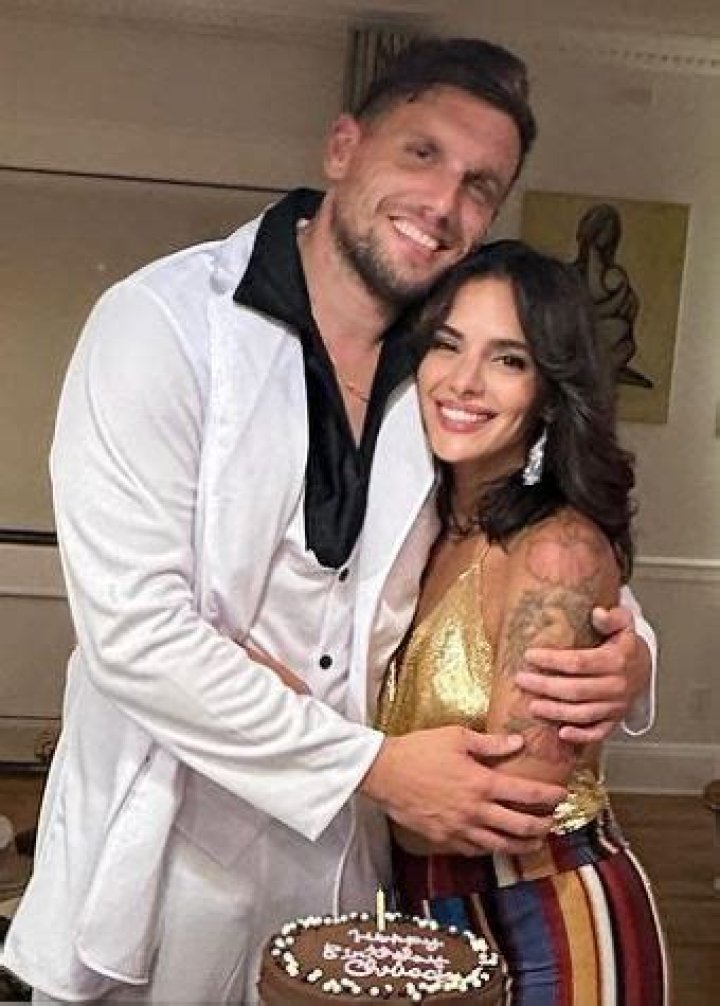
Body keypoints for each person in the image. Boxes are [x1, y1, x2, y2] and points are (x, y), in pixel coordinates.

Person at [2, 38, 656, 1006]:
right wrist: (373, 764)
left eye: (480, 185)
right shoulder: (162, 325)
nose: (443, 202)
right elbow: (136, 631)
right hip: (173, 845)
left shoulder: (439, 360)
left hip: (355, 872)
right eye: (421, 152)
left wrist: (630, 649)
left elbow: (519, 530)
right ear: (343, 147)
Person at [378, 239, 668, 1003]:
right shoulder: (425, 529)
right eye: (447, 345)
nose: (463, 381)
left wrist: (326, 754)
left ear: (550, 390)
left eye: (508, 359)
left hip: (552, 922)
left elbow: (510, 806)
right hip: (426, 920)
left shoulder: (557, 551)